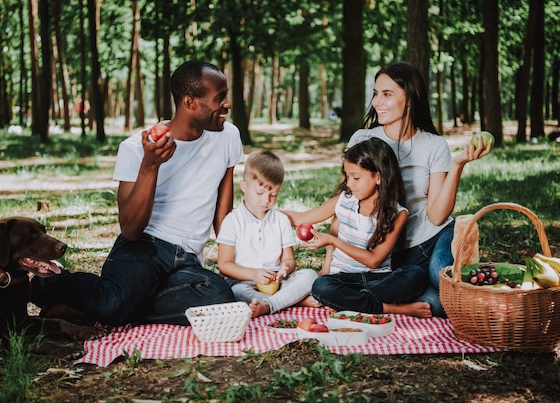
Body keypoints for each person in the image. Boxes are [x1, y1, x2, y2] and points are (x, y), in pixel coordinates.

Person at [31, 60, 244, 326]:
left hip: (188, 261)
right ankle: (50, 285)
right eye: (220, 98)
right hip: (144, 247)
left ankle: (112, 306)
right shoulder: (134, 148)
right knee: (114, 305)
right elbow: (131, 229)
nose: (228, 104)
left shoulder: (228, 136)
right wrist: (150, 166)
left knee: (219, 298)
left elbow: (222, 216)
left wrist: (243, 259)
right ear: (190, 102)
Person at [346, 62, 492, 317]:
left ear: (410, 98)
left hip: (431, 237)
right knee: (434, 302)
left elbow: (436, 216)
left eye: (387, 94)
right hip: (393, 250)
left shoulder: (434, 145)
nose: (377, 102)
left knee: (440, 275)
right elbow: (347, 201)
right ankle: (435, 298)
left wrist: (457, 164)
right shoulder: (362, 139)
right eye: (376, 93)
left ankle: (453, 293)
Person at [286, 138, 431, 316]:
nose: (349, 183)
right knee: (321, 286)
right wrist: (262, 210)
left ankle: (350, 303)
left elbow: (374, 260)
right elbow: (302, 218)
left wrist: (332, 240)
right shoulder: (344, 200)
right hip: (344, 277)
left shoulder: (397, 213)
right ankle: (390, 308)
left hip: (378, 279)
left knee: (416, 275)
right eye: (347, 176)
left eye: (356, 177)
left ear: (378, 176)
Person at [216, 150, 320, 318]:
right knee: (236, 292)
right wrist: (253, 274)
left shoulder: (281, 220)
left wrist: (286, 268)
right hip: (244, 282)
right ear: (244, 187)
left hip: (277, 281)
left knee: (310, 275)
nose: (266, 200)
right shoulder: (232, 221)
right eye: (259, 193)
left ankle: (269, 304)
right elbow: (224, 265)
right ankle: (293, 301)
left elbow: (289, 259)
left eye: (273, 195)